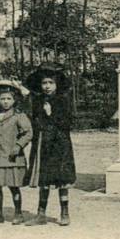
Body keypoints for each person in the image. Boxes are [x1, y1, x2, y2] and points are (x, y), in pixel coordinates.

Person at [24, 62, 77, 226]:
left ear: (57, 84)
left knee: (61, 179)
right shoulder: (38, 100)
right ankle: (41, 214)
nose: (47, 86)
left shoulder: (63, 100)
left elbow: (68, 123)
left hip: (59, 144)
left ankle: (64, 213)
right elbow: (33, 119)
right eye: (44, 83)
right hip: (42, 143)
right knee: (44, 178)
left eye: (50, 83)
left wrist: (51, 114)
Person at [0, 80, 33, 225]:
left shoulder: (19, 116)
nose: (5, 102)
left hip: (11, 158)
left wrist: (18, 145)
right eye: (2, 98)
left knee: (13, 186)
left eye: (8, 98)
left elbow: (28, 133)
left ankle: (18, 213)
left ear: (14, 99)